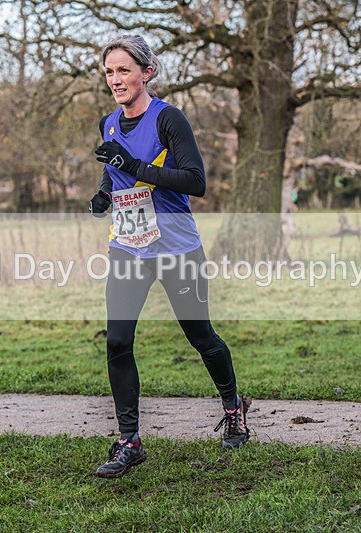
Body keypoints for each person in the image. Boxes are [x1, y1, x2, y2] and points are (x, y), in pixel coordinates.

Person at [88, 35, 249, 479]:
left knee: (201, 337)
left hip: (176, 247)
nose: (115, 80)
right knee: (117, 341)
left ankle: (233, 408)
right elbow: (113, 172)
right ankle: (129, 441)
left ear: (146, 72)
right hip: (127, 248)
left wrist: (135, 167)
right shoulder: (109, 123)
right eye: (109, 72)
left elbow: (195, 181)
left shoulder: (169, 119)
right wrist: (103, 196)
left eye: (123, 70)